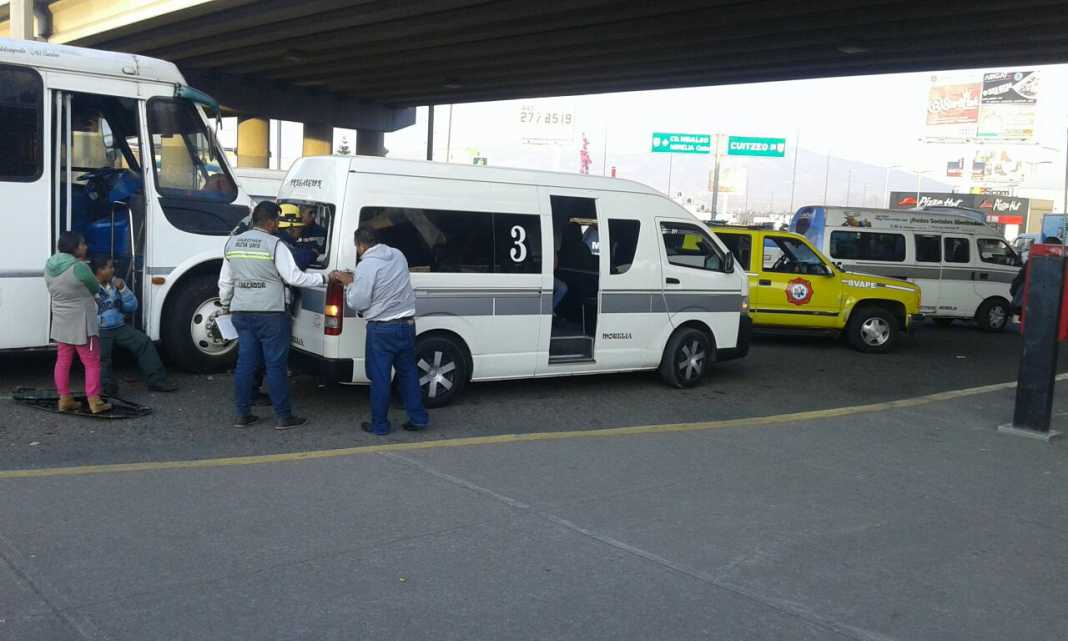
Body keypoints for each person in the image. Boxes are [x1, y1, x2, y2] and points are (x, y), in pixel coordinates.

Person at [219, 201, 327, 429]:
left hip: (242, 312)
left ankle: (242, 414)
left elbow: (225, 282)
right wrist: (324, 279)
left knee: (245, 364)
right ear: (270, 222)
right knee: (275, 366)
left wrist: (227, 304)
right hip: (271, 313)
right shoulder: (275, 244)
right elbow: (294, 278)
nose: (279, 224)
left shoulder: (233, 243)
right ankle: (283, 417)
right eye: (277, 220)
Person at [330, 226, 428, 435]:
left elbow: (359, 300)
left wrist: (348, 284)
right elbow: (384, 280)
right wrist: (354, 278)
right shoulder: (398, 255)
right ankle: (418, 419)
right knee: (409, 374)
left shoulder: (367, 264)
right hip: (407, 325)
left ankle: (380, 425)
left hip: (382, 330)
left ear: (361, 245)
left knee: (380, 378)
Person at [90, 255, 177, 396]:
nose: (113, 270)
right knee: (102, 358)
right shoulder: (91, 288)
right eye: (109, 267)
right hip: (101, 329)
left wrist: (124, 290)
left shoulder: (116, 284)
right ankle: (107, 388)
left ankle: (157, 381)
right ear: (100, 270)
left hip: (119, 326)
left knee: (143, 342)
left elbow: (132, 306)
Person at [44, 232, 111, 414]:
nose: (85, 247)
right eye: (82, 244)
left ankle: (64, 399)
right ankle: (94, 401)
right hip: (82, 324)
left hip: (61, 321)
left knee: (63, 360)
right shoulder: (79, 267)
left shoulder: (49, 265)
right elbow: (95, 287)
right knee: (92, 362)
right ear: (74, 246)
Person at [1011, 236, 1061, 314]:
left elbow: (1017, 283)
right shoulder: (1060, 266)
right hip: (1050, 311)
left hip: (1030, 308)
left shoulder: (1033, 261)